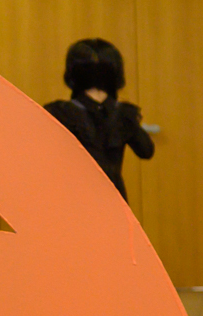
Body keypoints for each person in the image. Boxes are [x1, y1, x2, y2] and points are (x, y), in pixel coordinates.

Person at [45, 39, 153, 198]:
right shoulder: (123, 114)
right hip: (114, 198)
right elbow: (146, 150)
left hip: (73, 197)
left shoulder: (62, 113)